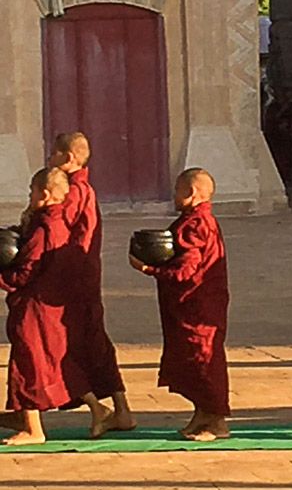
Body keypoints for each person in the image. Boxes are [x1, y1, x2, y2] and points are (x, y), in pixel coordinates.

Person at [130, 169, 231, 441]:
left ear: (191, 193)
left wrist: (149, 268)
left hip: (198, 305)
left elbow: (187, 270)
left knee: (203, 358)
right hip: (193, 303)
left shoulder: (196, 225)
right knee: (190, 359)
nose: (174, 197)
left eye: (177, 191)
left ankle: (217, 421)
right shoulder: (198, 220)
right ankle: (202, 415)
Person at [48, 132, 136, 438]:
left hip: (70, 281)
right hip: (86, 278)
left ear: (68, 158)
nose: (51, 160)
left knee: (60, 345)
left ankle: (99, 409)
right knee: (96, 344)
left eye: (55, 155)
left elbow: (60, 236)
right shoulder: (85, 190)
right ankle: (122, 409)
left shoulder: (73, 192)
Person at [0, 169, 73, 445]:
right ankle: (23, 417)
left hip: (34, 305)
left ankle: (33, 430)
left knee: (27, 363)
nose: (30, 197)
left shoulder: (45, 228)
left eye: (32, 191)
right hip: (46, 305)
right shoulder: (55, 223)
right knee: (33, 360)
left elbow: (25, 272)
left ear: (43, 194)